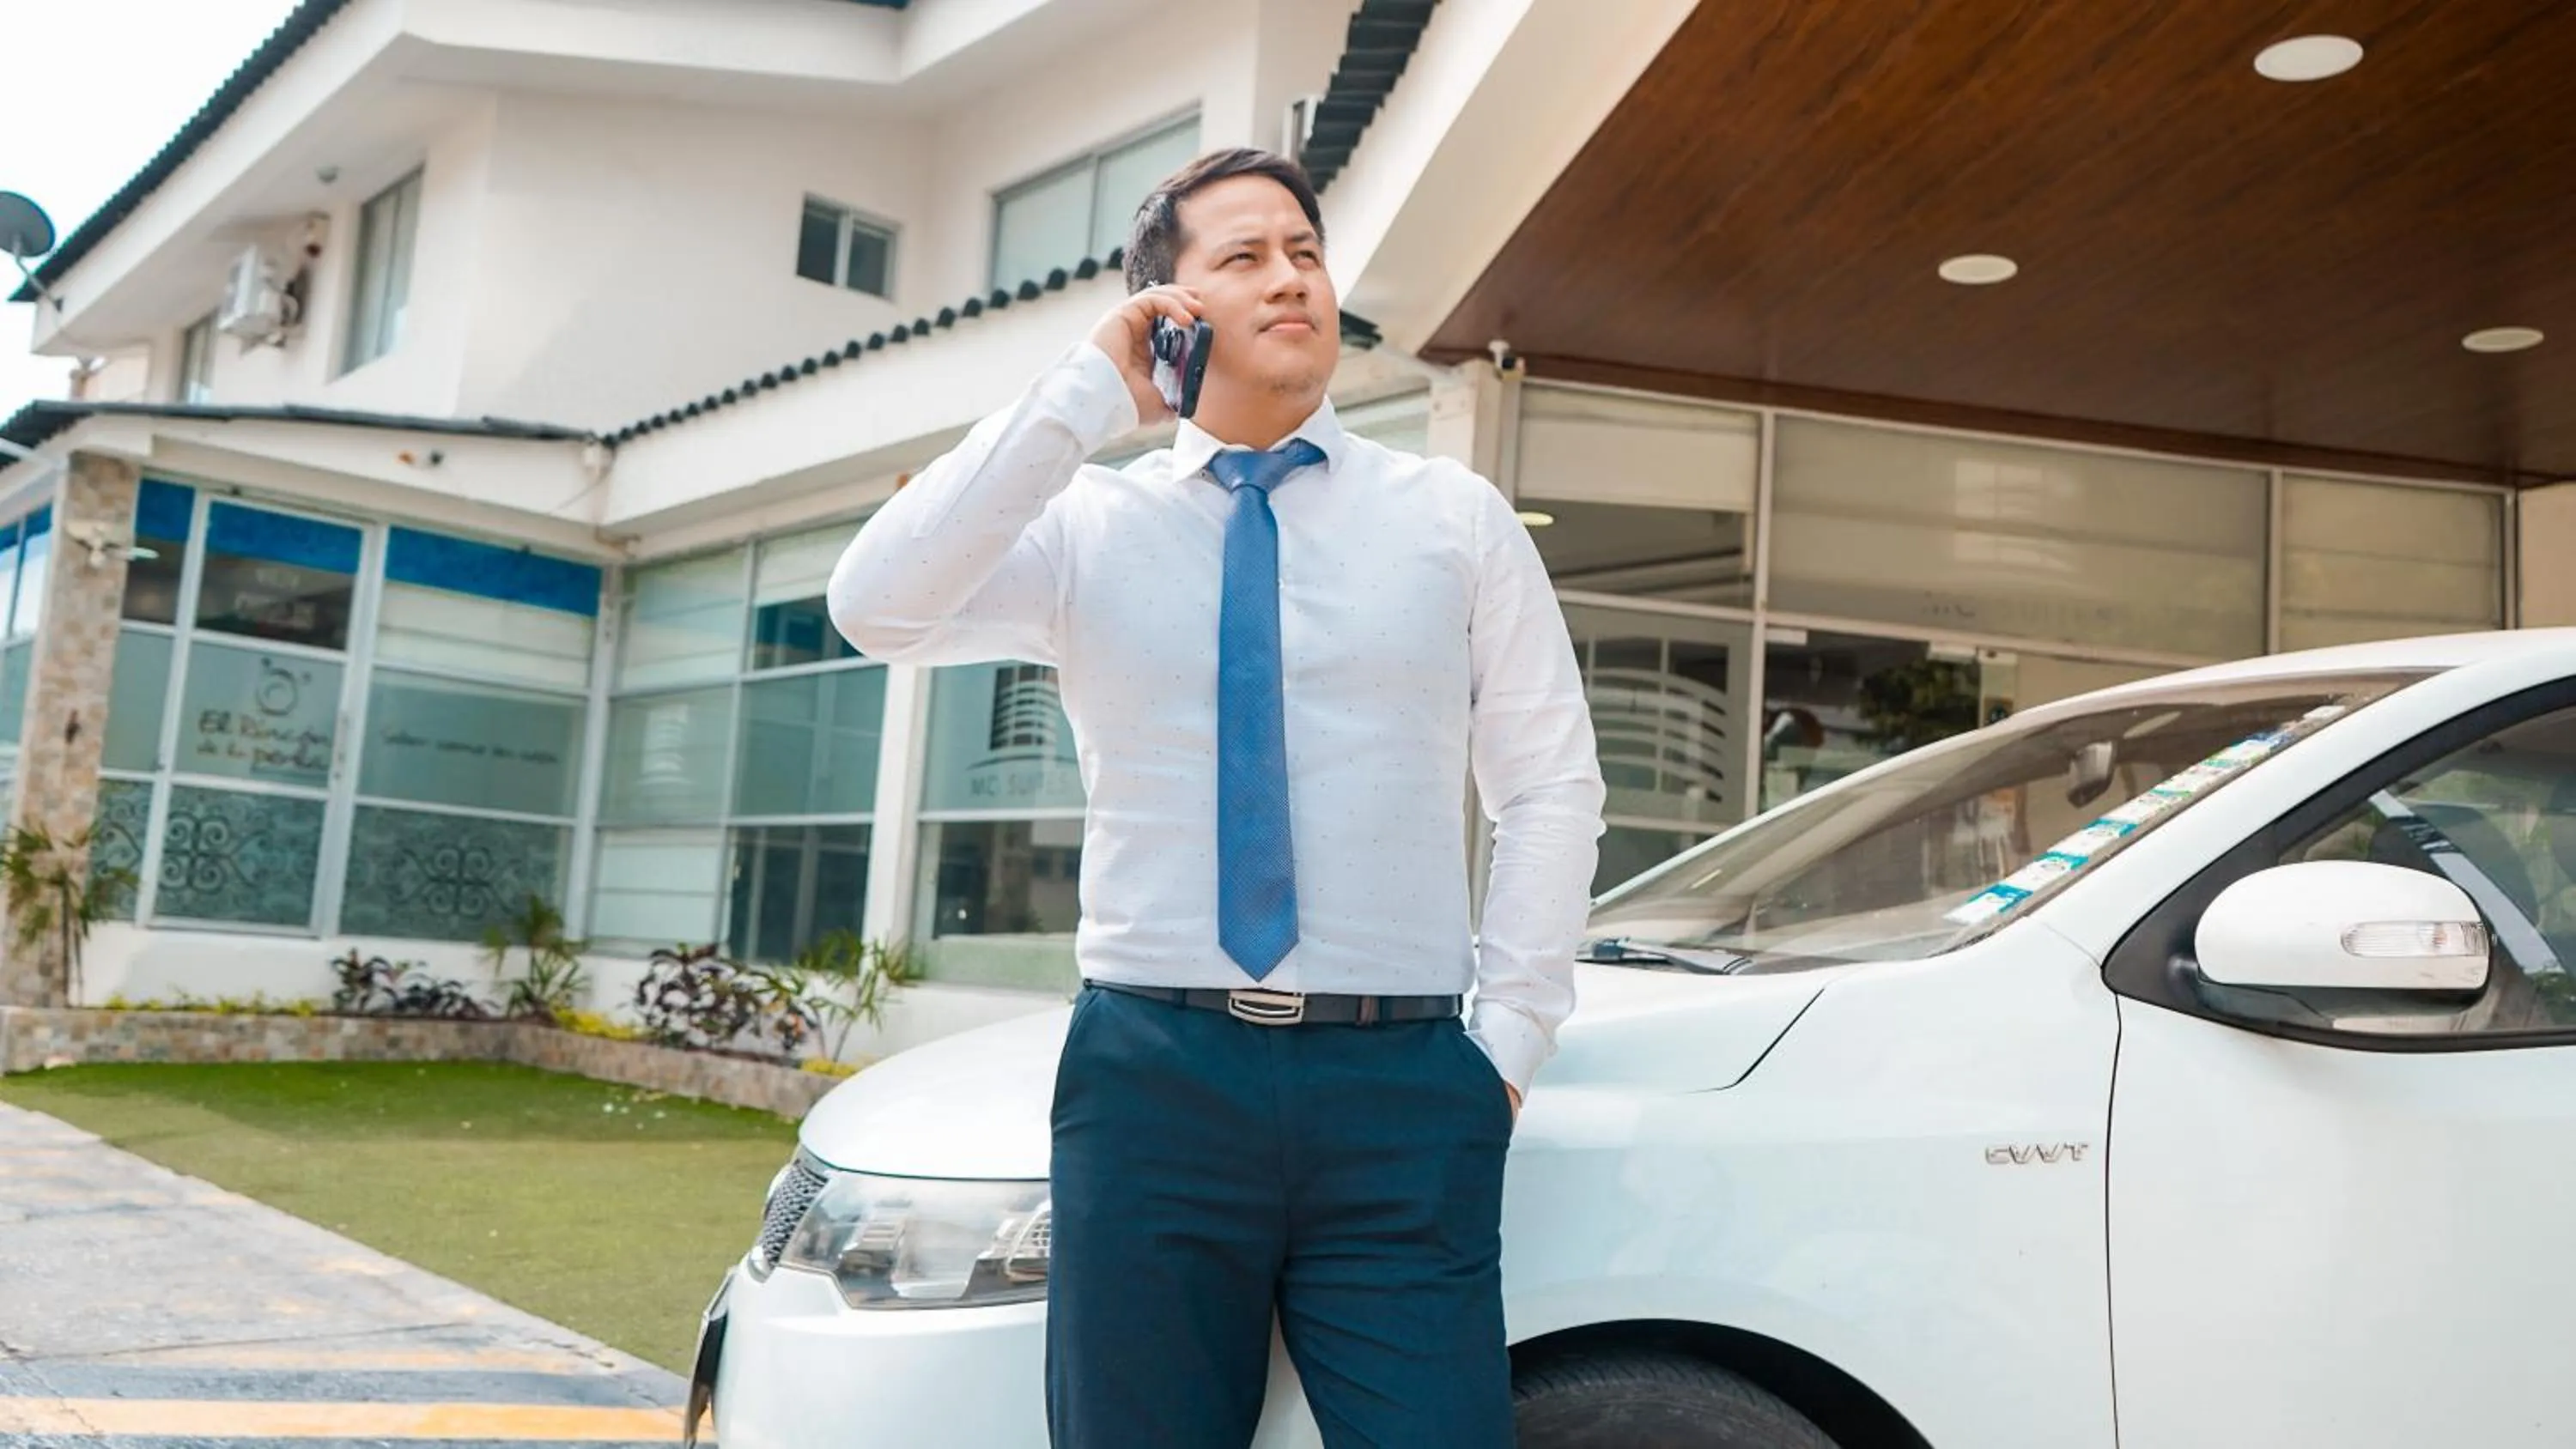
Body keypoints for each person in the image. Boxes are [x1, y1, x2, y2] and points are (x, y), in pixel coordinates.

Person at [828, 146, 1606, 1448]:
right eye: (1244, 259)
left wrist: (1509, 1044)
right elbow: (876, 603)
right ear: (1167, 311)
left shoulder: (1451, 519)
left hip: (1403, 1082)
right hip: (1156, 1083)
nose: (1292, 278)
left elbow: (1547, 785)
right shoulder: (1088, 529)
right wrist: (1087, 392)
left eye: (1304, 251)